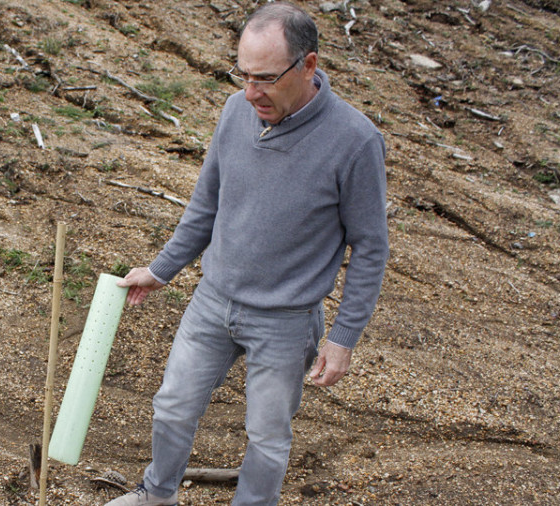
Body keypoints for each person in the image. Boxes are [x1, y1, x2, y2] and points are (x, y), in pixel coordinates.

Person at [105, 2, 389, 505]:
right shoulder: (237, 110)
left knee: (267, 439)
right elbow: (205, 204)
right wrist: (162, 269)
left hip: (286, 319)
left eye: (265, 78)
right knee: (171, 407)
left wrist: (343, 338)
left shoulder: (355, 141)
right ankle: (156, 495)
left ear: (308, 66)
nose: (251, 91)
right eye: (242, 75)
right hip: (213, 302)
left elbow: (369, 247)